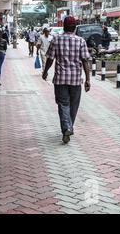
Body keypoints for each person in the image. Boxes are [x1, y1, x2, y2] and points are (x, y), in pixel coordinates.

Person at [42, 16, 91, 144]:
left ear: (63, 26)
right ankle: (69, 127)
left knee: (63, 105)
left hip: (60, 80)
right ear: (75, 27)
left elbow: (50, 59)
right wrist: (88, 80)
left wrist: (45, 71)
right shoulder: (81, 41)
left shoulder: (56, 40)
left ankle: (67, 128)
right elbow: (85, 61)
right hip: (75, 80)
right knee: (73, 105)